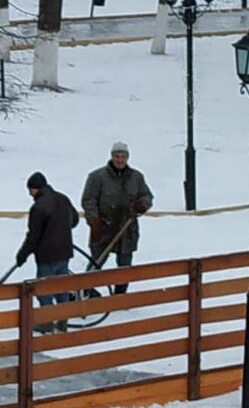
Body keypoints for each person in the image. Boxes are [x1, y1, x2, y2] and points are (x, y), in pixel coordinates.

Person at [81, 142, 153, 294]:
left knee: (124, 266)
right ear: (111, 157)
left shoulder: (136, 177)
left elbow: (147, 196)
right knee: (97, 261)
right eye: (117, 156)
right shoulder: (97, 177)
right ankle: (85, 291)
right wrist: (93, 221)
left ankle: (120, 295)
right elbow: (88, 200)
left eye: (123, 157)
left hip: (127, 228)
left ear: (127, 158)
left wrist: (143, 204)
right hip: (103, 227)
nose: (120, 160)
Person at [15, 171, 79, 334]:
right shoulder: (63, 199)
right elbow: (75, 220)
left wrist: (22, 254)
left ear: (35, 188)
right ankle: (63, 319)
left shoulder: (38, 208)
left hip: (46, 255)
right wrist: (61, 229)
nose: (30, 194)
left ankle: (47, 321)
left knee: (43, 290)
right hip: (64, 252)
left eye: (30, 190)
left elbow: (33, 235)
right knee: (61, 286)